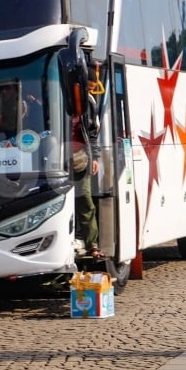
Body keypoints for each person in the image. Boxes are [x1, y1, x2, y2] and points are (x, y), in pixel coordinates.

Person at [73, 64, 105, 260]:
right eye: (90, 87)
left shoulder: (89, 103)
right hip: (56, 159)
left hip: (80, 158)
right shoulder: (61, 99)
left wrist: (95, 158)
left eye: (94, 88)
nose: (92, 92)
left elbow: (92, 133)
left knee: (84, 198)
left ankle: (92, 244)